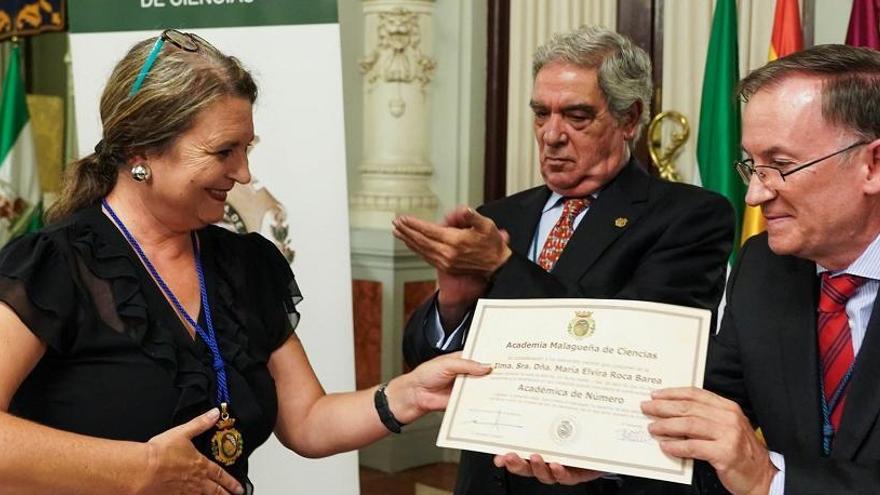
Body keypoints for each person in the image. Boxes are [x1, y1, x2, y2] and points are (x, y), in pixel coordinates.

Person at [0, 29, 489, 495]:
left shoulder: (244, 262)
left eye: (246, 148)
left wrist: (406, 394)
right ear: (139, 150)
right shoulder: (53, 265)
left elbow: (308, 421)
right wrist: (137, 471)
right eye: (223, 151)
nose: (244, 173)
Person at [392, 25, 735, 495]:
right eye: (540, 113)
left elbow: (622, 355)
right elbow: (425, 369)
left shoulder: (689, 217)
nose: (551, 135)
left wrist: (502, 266)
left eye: (576, 115)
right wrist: (451, 304)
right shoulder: (500, 217)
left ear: (629, 118)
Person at [638, 44, 880, 494]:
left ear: (873, 165)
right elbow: (705, 418)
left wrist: (771, 481)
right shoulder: (764, 267)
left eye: (781, 165)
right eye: (753, 166)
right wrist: (603, 456)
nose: (754, 195)